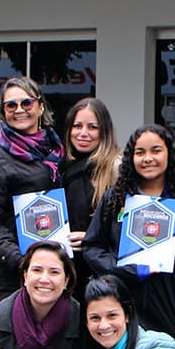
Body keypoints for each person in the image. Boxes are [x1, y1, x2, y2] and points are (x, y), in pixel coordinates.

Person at [82, 124, 175, 342]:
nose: (148, 158)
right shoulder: (115, 198)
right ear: (131, 158)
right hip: (118, 306)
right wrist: (120, 268)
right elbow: (91, 246)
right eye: (140, 152)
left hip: (165, 311)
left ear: (170, 153)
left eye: (156, 150)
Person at [0, 76, 66, 308]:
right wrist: (25, 262)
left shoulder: (58, 152)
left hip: (55, 273)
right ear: (3, 112)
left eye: (26, 103)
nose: (19, 110)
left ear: (40, 106)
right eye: (11, 105)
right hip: (11, 279)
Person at [61, 97, 121, 257]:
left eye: (92, 127)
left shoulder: (116, 168)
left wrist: (91, 238)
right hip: (68, 264)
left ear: (104, 131)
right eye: (77, 126)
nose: (83, 133)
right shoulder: (61, 167)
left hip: (100, 266)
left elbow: (125, 225)